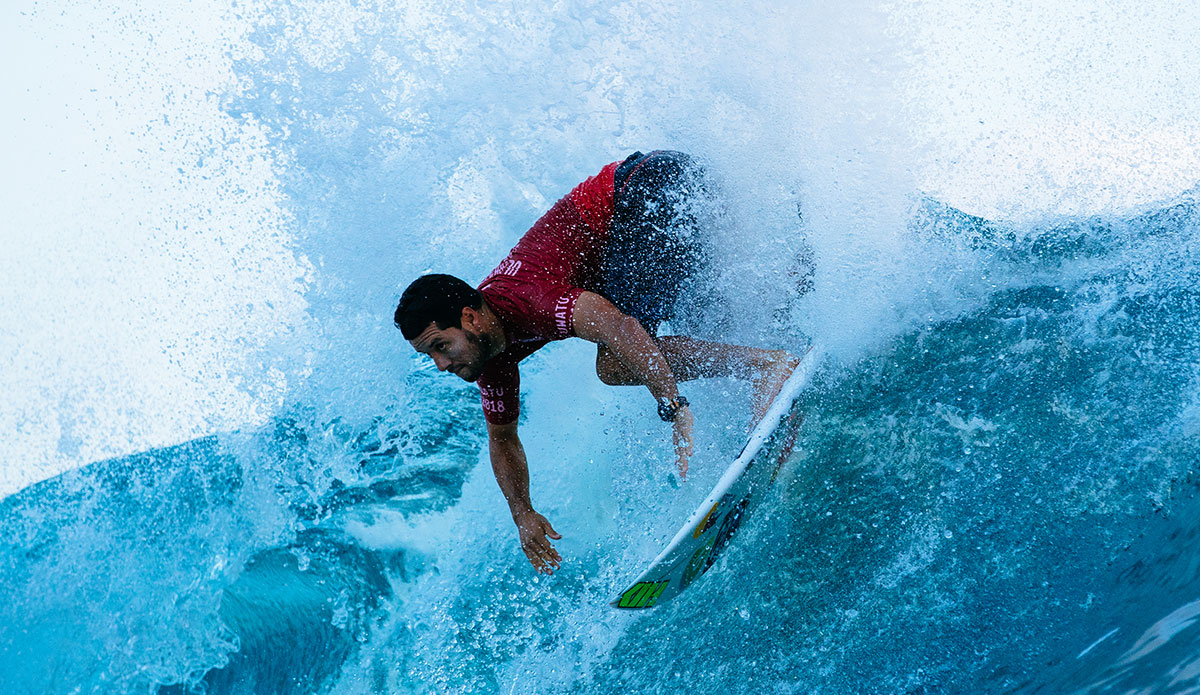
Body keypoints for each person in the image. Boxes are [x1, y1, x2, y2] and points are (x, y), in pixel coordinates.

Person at [394, 150, 797, 574]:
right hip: (658, 193)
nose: (441, 364)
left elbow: (618, 329)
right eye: (431, 356)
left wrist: (671, 403)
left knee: (615, 363)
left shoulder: (529, 299)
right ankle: (793, 299)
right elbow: (503, 438)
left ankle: (768, 366)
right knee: (715, 315)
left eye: (440, 346)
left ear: (470, 318)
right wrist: (523, 514)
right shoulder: (490, 358)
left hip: (646, 189)